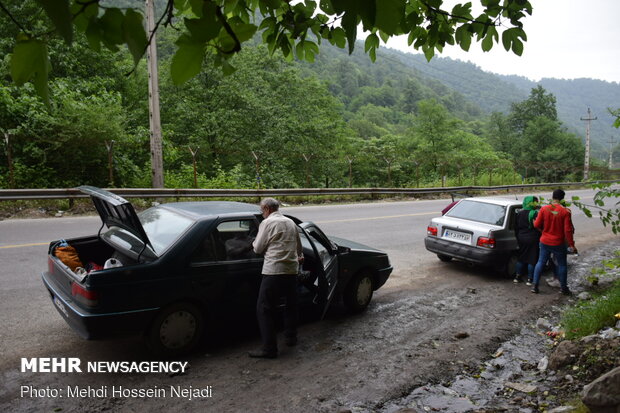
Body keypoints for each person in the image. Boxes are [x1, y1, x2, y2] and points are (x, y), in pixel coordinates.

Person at [249, 197, 304, 358]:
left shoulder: (266, 223)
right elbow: (299, 248)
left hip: (273, 271)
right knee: (291, 305)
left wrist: (252, 243)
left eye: (262, 211)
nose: (262, 214)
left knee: (264, 309)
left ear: (266, 209)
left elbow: (258, 249)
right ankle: (291, 337)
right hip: (291, 271)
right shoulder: (290, 223)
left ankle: (269, 349)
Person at [530, 189, 577, 295]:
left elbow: (537, 225)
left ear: (552, 197)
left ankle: (535, 286)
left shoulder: (544, 209)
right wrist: (571, 245)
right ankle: (563, 288)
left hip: (545, 241)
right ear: (562, 198)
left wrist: (537, 225)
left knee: (541, 262)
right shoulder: (565, 212)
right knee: (562, 265)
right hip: (558, 243)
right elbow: (568, 230)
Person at [514, 196, 540, 285]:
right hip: (533, 238)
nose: (537, 204)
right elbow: (539, 227)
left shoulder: (519, 213)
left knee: (521, 258)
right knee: (532, 259)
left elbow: (516, 227)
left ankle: (517, 277)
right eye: (536, 202)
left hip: (521, 238)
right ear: (532, 203)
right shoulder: (535, 213)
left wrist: (518, 237)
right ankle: (530, 279)